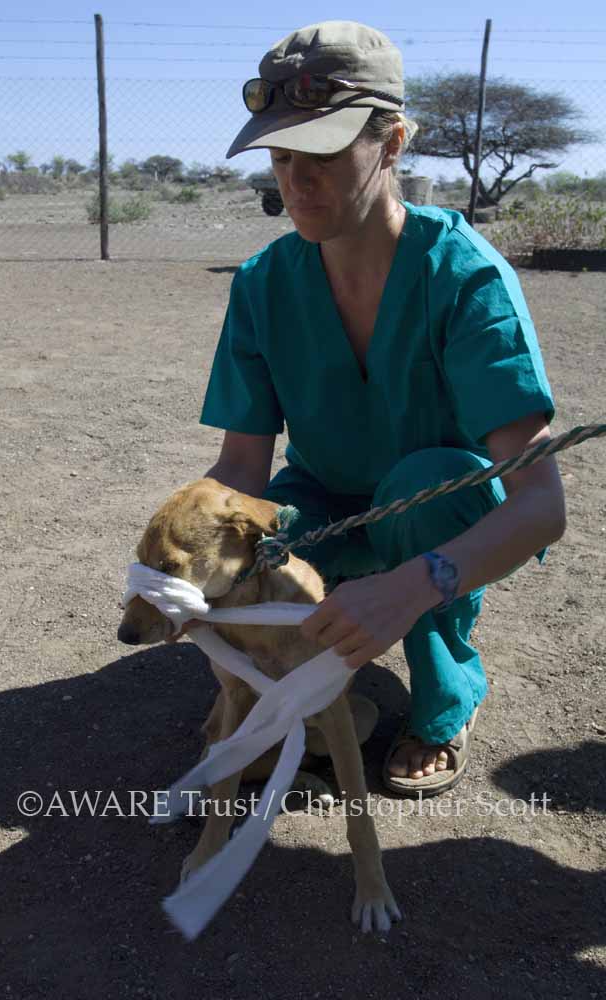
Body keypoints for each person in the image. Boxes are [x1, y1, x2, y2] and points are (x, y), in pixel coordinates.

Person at [193, 20, 566, 797]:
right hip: (323, 503)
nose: (297, 182)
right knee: (259, 538)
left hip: (429, 520)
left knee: (436, 477)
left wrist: (410, 586)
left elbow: (538, 505)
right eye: (283, 157)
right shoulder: (263, 285)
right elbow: (241, 468)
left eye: (323, 153)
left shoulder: (465, 279)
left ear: (392, 143)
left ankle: (443, 704)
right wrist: (196, 557)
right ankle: (316, 692)